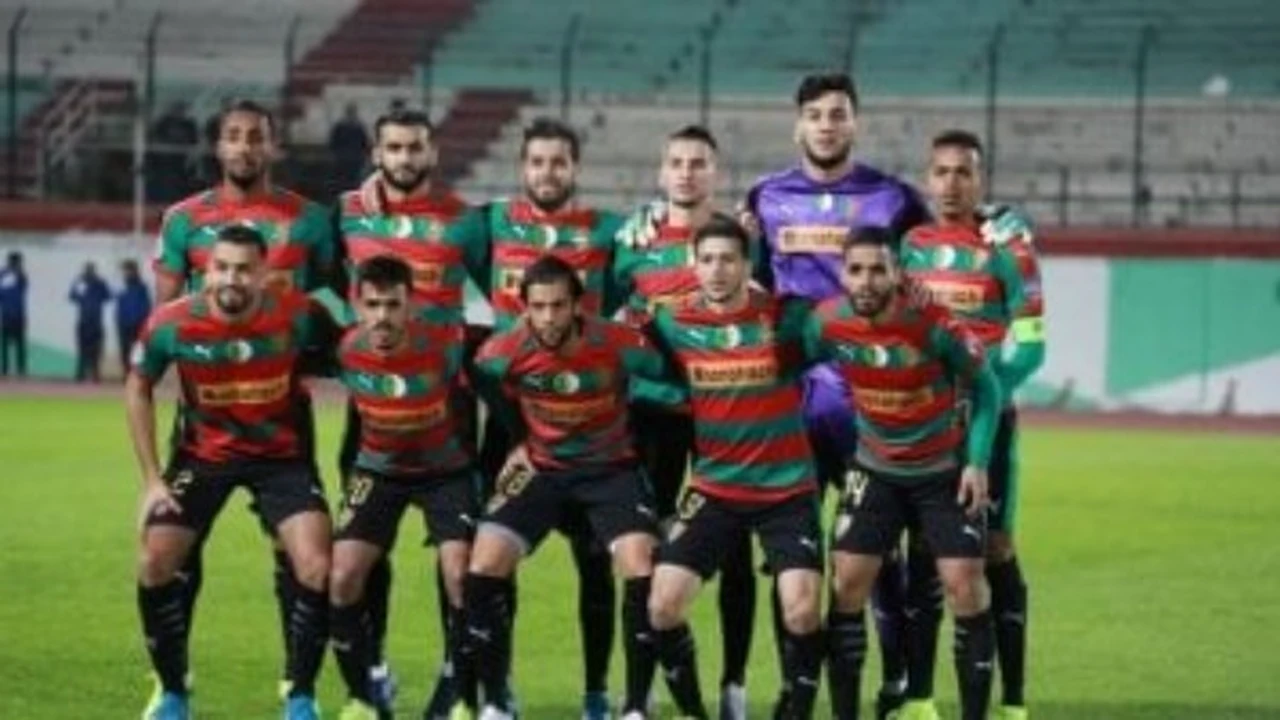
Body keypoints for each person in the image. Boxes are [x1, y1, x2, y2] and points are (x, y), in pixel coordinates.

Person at [150, 98, 338, 710]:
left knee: (297, 551)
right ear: (218, 145)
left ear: (272, 146)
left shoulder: (309, 221)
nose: (245, 147)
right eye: (233, 136)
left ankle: (296, 683)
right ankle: (172, 680)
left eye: (256, 137)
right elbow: (165, 316)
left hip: (282, 415)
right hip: (205, 418)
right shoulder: (184, 220)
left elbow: (335, 299)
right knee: (180, 546)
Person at [801, 227, 1003, 720]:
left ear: (897, 274)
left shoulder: (936, 324)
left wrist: (977, 462)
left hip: (941, 472)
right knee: (846, 587)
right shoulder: (825, 322)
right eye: (856, 270)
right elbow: (788, 358)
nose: (866, 281)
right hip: (874, 469)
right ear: (842, 274)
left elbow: (988, 391)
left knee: (966, 588)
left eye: (878, 269)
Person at [466, 255, 670, 720]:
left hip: (611, 470)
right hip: (543, 470)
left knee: (641, 566)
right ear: (524, 308)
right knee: (482, 565)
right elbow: (482, 377)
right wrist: (518, 440)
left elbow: (672, 374)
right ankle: (496, 702)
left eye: (558, 306)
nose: (548, 318)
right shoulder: (505, 349)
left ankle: (635, 705)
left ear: (578, 305)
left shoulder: (617, 342)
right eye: (538, 307)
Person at [336, 107, 486, 716]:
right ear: (377, 153)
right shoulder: (348, 212)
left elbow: (509, 294)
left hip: (447, 399)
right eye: (393, 148)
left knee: (459, 560)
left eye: (414, 147)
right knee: (362, 549)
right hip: (373, 404)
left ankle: (460, 682)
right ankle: (371, 673)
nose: (404, 158)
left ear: (432, 152)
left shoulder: (464, 221)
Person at [645, 215, 826, 720]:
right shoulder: (672, 323)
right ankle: (695, 714)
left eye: (728, 259)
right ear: (693, 265)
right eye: (707, 260)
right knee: (662, 606)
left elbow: (844, 329)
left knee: (802, 611)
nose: (717, 270)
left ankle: (795, 710)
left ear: (748, 265)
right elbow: (624, 358)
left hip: (787, 490)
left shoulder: (785, 317)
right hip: (715, 489)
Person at [896, 130, 1045, 720]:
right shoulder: (910, 247)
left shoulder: (1010, 249)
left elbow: (1030, 348)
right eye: (941, 172)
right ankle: (919, 699)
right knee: (922, 550)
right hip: (921, 427)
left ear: (980, 180)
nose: (951, 183)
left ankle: (1013, 702)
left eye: (964, 172)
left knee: (996, 548)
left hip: (987, 421)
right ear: (927, 179)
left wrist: (982, 393)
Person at [612, 126, 758, 719]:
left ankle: (734, 686)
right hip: (651, 416)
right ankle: (638, 696)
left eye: (699, 163)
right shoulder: (633, 241)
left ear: (715, 173)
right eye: (677, 162)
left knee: (737, 552)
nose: (687, 172)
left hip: (722, 415)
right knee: (640, 551)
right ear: (661, 171)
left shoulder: (736, 241)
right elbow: (600, 316)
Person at [329, 256, 479, 720]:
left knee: (460, 575)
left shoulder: (446, 345)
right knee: (342, 575)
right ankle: (363, 698)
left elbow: (497, 377)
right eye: (372, 304)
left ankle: (458, 692)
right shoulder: (346, 350)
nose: (382, 316)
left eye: (392, 305)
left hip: (445, 473)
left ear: (410, 304)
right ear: (357, 305)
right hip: (378, 471)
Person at [69, 262, 111, 383]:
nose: (89, 273)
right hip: (84, 320)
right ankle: (81, 374)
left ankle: (94, 374)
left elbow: (107, 296)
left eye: (90, 270)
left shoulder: (100, 283)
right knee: (82, 349)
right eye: (88, 270)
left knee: (95, 350)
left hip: (95, 321)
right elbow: (72, 296)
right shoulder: (80, 282)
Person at [116, 260, 153, 378]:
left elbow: (146, 306)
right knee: (124, 350)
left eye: (128, 270)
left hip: (138, 324)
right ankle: (126, 373)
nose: (126, 273)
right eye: (125, 271)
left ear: (135, 271)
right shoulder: (121, 287)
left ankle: (138, 373)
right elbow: (119, 305)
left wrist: (144, 321)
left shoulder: (141, 287)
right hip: (123, 324)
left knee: (138, 350)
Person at [330, 103, 372, 193]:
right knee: (353, 180)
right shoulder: (359, 126)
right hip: (355, 158)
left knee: (342, 180)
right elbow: (364, 143)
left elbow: (334, 142)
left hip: (343, 158)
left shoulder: (340, 126)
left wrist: (336, 154)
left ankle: (342, 194)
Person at [0, 251, 28, 377]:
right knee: (6, 344)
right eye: (18, 261)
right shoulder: (3, 274)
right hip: (9, 313)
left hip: (18, 313)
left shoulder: (20, 275)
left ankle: (20, 369)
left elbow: (24, 287)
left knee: (20, 343)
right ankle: (6, 368)